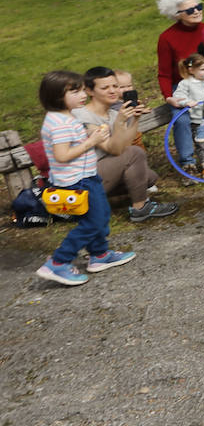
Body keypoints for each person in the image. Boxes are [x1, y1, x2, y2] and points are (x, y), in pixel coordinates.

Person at [35, 71, 137, 286]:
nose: (82, 95)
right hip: (77, 181)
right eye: (75, 91)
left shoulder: (67, 116)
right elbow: (62, 156)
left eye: (82, 89)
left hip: (86, 176)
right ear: (55, 95)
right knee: (93, 222)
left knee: (100, 215)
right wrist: (92, 142)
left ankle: (99, 255)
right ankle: (58, 262)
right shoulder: (60, 123)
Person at [74, 67, 178, 222]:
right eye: (105, 88)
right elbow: (114, 149)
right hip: (81, 180)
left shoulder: (114, 113)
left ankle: (101, 201)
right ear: (89, 91)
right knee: (135, 154)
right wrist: (120, 122)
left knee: (149, 177)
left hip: (102, 171)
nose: (112, 91)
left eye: (115, 86)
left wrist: (135, 119)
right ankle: (140, 208)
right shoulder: (82, 115)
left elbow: (124, 145)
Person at [156, 0, 204, 177]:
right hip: (181, 86)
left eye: (199, 6)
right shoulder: (166, 38)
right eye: (190, 10)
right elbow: (164, 73)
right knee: (181, 119)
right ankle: (188, 163)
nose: (197, 11)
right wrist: (169, 97)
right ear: (177, 15)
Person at [169, 54, 204, 179]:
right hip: (197, 120)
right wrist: (187, 102)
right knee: (201, 144)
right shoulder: (186, 83)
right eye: (203, 69)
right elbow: (178, 97)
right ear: (191, 70)